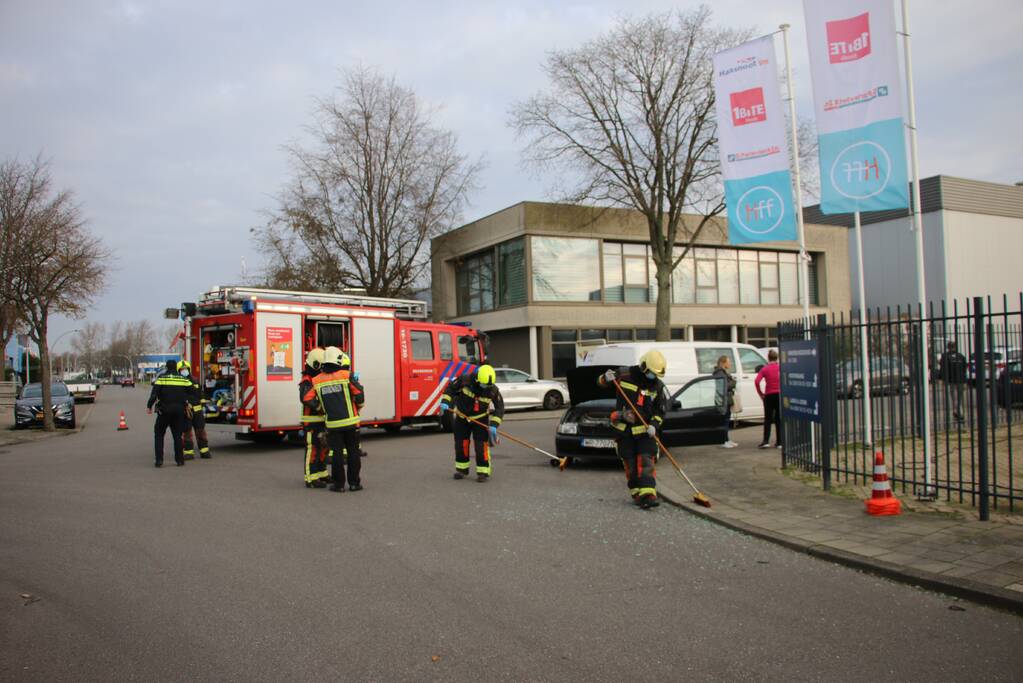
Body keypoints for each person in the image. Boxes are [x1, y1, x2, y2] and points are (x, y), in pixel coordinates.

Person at [598, 350, 667, 509]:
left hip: (644, 431)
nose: (652, 376)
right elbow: (601, 382)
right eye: (650, 372)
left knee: (646, 461)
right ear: (643, 366)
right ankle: (637, 493)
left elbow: (660, 411)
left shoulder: (657, 385)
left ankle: (648, 494)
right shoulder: (624, 374)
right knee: (630, 463)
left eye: (655, 374)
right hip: (624, 430)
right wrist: (605, 377)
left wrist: (654, 426)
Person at [439, 365, 505, 482]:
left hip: (480, 419)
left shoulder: (493, 390)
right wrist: (445, 401)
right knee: (461, 444)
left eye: (489, 385)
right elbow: (450, 389)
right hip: (462, 418)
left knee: (481, 446)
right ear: (477, 379)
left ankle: (483, 472)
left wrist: (494, 424)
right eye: (484, 385)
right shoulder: (464, 380)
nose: (486, 387)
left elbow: (499, 408)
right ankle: (461, 470)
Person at [312, 346, 365, 492]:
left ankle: (339, 485)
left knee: (337, 454)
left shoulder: (316, 380)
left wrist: (320, 409)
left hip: (333, 424)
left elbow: (308, 398)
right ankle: (354, 484)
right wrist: (358, 408)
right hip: (351, 422)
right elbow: (360, 395)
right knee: (353, 452)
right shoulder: (347, 375)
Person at [146, 362, 193, 467]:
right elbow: (192, 390)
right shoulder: (183, 379)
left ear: (167, 367)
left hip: (164, 411)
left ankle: (159, 460)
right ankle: (180, 460)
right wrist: (185, 400)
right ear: (176, 367)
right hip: (179, 411)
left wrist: (149, 406)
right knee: (177, 436)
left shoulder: (162, 378)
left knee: (159, 435)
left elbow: (154, 394)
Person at [298, 347, 329, 488]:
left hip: (322, 420)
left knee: (323, 447)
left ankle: (322, 474)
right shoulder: (307, 380)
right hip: (311, 422)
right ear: (315, 364)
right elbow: (305, 398)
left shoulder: (317, 378)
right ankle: (310, 478)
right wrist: (320, 407)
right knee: (312, 449)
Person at [177, 360, 211, 460]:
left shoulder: (195, 380)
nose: (184, 371)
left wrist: (203, 401)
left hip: (197, 411)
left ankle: (204, 451)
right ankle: (188, 452)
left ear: (189, 369)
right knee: (187, 431)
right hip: (186, 411)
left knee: (200, 430)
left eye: (185, 369)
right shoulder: (179, 382)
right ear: (178, 371)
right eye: (182, 369)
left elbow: (200, 394)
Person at [755, 350, 783, 449]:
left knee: (768, 418)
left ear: (768, 358)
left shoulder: (764, 369)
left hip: (769, 395)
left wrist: (761, 394)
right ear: (777, 358)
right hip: (779, 394)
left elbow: (757, 381)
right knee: (778, 418)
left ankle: (766, 441)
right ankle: (780, 442)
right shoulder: (781, 368)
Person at [713, 355, 738, 448]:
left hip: (727, 399)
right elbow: (724, 387)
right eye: (728, 361)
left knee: (727, 420)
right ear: (723, 363)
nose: (730, 363)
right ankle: (723, 440)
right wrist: (733, 382)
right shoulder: (720, 373)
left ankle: (727, 439)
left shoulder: (724, 372)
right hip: (723, 400)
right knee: (724, 420)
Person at [939, 340, 967, 422]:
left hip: (952, 380)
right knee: (959, 398)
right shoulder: (961, 356)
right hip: (961, 380)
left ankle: (959, 414)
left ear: (948, 347)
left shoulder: (945, 356)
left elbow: (943, 369)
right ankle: (957, 413)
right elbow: (964, 368)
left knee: (955, 398)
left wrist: (943, 379)